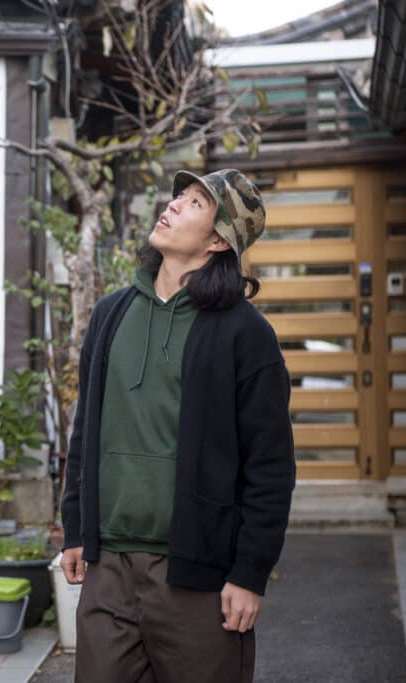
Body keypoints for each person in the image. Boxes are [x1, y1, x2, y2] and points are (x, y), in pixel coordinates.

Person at [59, 169, 296, 683]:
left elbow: (270, 467)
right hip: (109, 571)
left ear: (217, 239)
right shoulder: (109, 314)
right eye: (179, 196)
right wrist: (75, 527)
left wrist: (249, 574)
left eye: (193, 203)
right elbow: (87, 433)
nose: (172, 206)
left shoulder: (246, 334)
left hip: (199, 578)